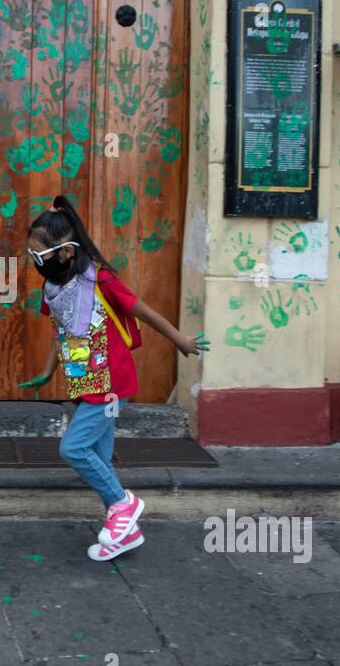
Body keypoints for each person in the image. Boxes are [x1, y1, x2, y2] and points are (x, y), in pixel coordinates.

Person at [18, 196, 210, 561]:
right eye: (32, 256)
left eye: (41, 255)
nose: (36, 262)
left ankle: (124, 504)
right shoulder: (53, 289)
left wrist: (180, 340)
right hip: (84, 382)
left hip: (110, 385)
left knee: (74, 449)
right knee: (101, 459)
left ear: (67, 253)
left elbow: (143, 310)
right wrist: (48, 370)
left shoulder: (100, 280)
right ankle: (126, 534)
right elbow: (61, 331)